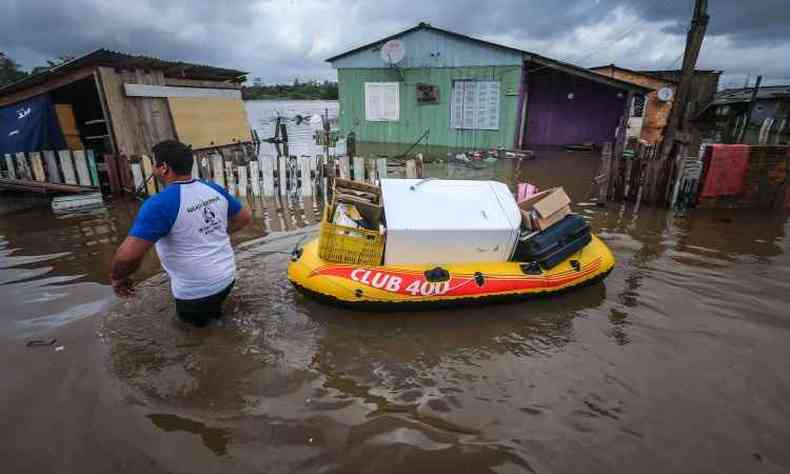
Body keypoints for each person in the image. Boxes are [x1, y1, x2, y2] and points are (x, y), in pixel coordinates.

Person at [110, 140, 252, 327]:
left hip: (196, 292)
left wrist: (117, 277)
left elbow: (128, 257)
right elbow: (244, 217)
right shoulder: (212, 188)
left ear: (164, 168)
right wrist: (213, 233)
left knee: (194, 336)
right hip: (227, 276)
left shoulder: (158, 205)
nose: (153, 168)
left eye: (155, 163)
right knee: (215, 316)